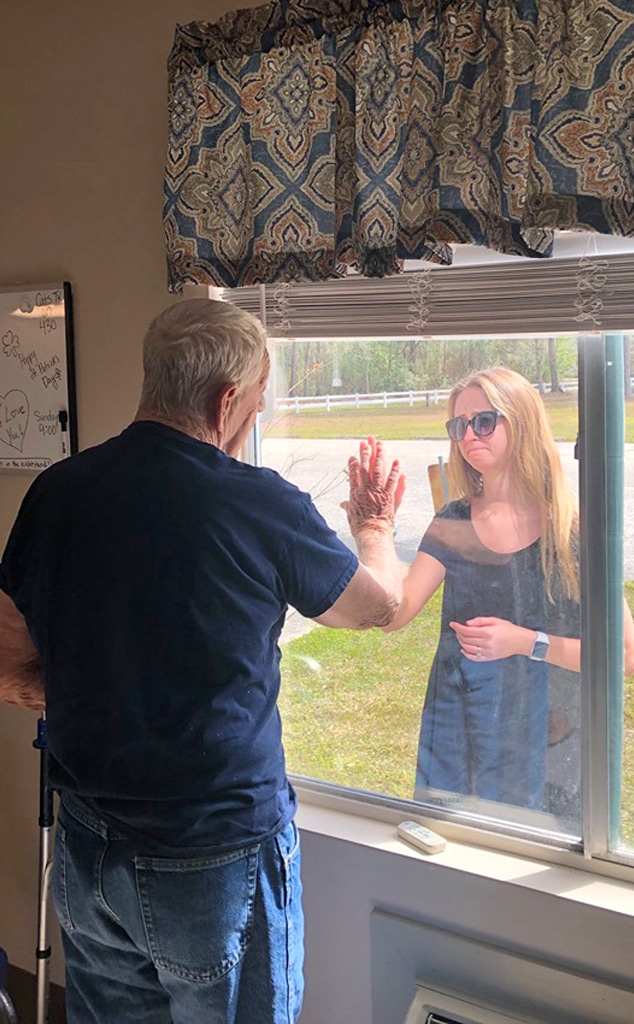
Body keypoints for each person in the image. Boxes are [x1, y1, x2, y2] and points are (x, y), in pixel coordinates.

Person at [0, 298, 404, 1024]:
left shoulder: (58, 491)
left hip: (88, 847)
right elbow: (379, 608)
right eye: (257, 398)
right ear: (228, 399)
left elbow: (7, 650)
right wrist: (373, 527)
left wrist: (87, 689)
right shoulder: (258, 504)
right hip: (213, 859)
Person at [377, 366, 634, 817]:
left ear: (523, 422)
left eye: (484, 420)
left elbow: (626, 656)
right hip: (460, 731)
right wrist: (375, 528)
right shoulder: (452, 522)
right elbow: (393, 613)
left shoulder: (573, 530)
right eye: (459, 425)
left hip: (549, 736)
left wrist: (525, 642)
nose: (469, 434)